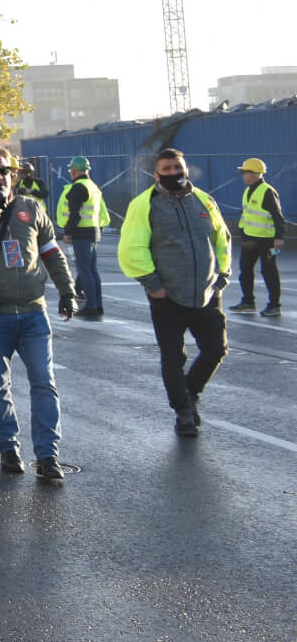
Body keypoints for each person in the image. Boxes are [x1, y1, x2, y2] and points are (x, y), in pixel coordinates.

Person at [0, 147, 76, 483]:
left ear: (13, 174)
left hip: (34, 312)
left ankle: (48, 455)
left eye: (4, 171)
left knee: (44, 383)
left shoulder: (32, 208)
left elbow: (51, 251)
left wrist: (67, 290)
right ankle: (8, 446)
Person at [118, 149, 231, 437]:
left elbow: (221, 237)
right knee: (173, 356)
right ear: (156, 175)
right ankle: (183, 412)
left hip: (206, 292)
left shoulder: (204, 200)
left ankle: (190, 393)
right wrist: (154, 286)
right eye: (166, 169)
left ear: (186, 169)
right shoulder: (144, 205)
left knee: (216, 349)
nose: (173, 173)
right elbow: (133, 247)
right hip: (167, 296)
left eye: (177, 167)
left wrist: (223, 275)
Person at [55, 156, 110, 319]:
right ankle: (97, 305)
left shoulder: (78, 187)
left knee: (84, 270)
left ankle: (92, 306)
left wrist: (68, 233)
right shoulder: (92, 186)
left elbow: (75, 214)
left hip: (81, 233)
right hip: (92, 230)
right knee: (92, 270)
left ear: (74, 171)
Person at [233, 157, 285, 317]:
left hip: (267, 241)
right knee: (245, 270)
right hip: (250, 240)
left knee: (269, 272)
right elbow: (246, 216)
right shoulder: (248, 191)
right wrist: (243, 236)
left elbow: (278, 217)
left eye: (246, 172)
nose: (243, 175)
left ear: (255, 174)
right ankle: (248, 302)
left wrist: (279, 238)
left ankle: (274, 305)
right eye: (243, 172)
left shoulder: (267, 191)